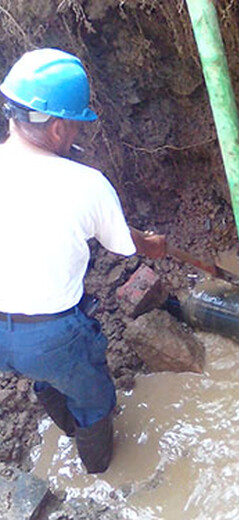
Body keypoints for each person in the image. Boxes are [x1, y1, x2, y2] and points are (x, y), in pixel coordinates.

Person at [0, 48, 165, 473]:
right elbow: (122, 244)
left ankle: (62, 418)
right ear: (57, 127)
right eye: (75, 123)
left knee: (42, 374)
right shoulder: (85, 184)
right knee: (95, 400)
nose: (77, 133)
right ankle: (100, 472)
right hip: (51, 336)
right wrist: (150, 244)